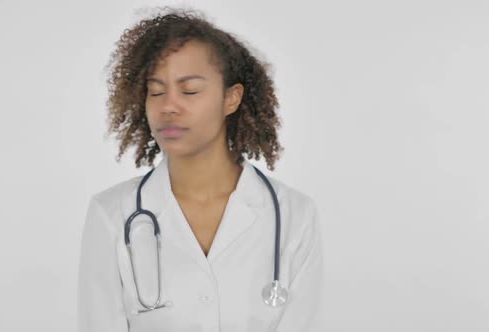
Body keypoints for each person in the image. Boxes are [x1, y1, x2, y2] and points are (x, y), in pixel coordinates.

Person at [78, 7, 324, 332]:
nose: (168, 106)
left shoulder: (294, 216)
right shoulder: (111, 215)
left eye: (190, 90)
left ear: (231, 99)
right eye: (155, 91)